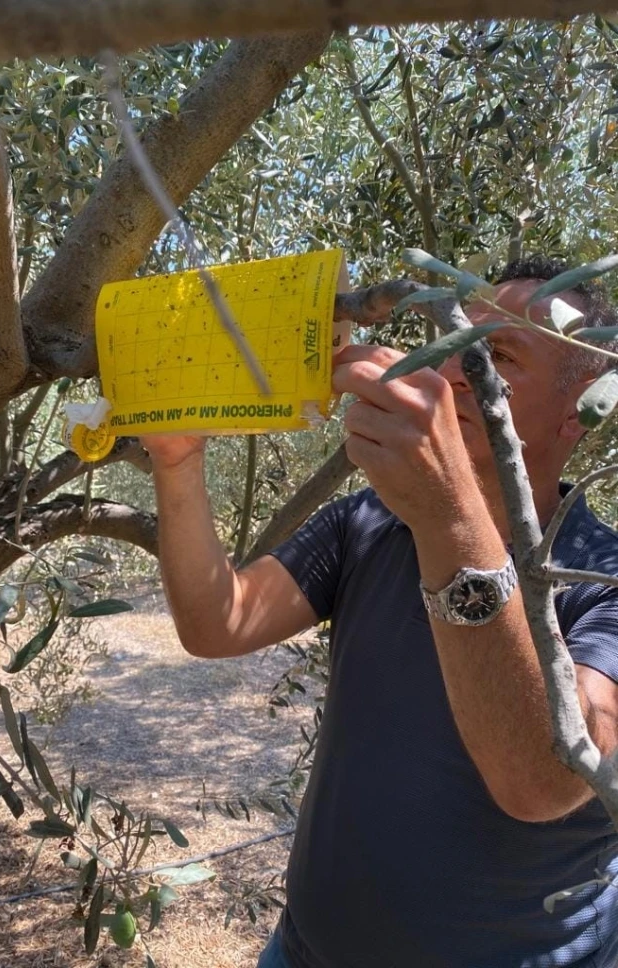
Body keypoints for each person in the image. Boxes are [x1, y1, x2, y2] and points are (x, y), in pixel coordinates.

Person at [139, 256, 618, 967]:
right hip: (304, 950)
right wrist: (177, 465)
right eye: (456, 343)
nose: (458, 369)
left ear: (581, 412)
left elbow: (544, 782)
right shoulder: (368, 521)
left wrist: (447, 514)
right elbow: (221, 621)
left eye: (502, 355)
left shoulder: (601, 577)